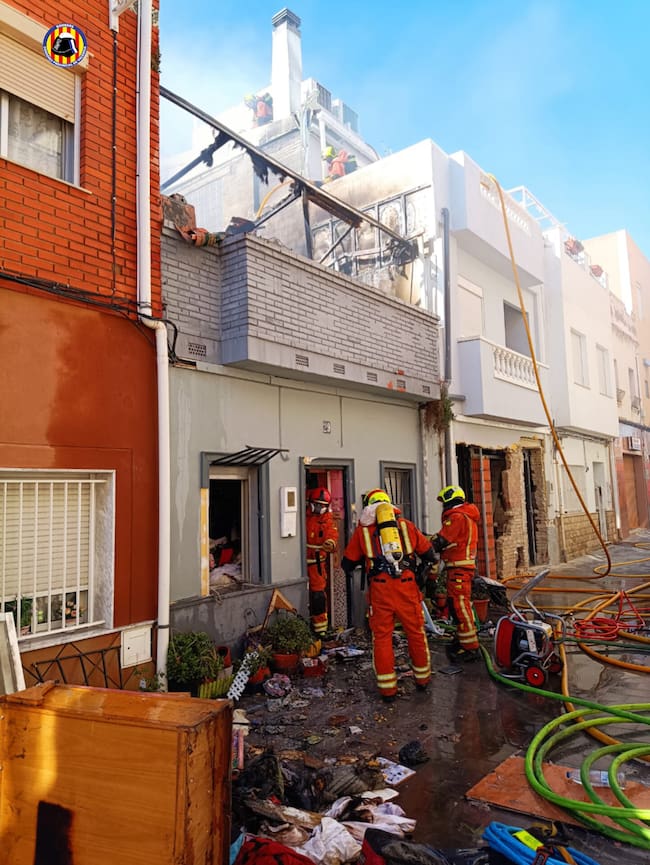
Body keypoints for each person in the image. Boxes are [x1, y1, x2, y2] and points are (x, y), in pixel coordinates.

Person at [341, 489, 437, 701]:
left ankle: (387, 690)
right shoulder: (406, 526)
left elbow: (346, 563)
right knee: (416, 633)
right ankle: (422, 679)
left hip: (380, 590)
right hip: (407, 587)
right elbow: (429, 553)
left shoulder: (363, 532)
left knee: (382, 638)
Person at [431, 485, 481, 661]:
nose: (443, 507)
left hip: (459, 569)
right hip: (459, 568)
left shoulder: (457, 517)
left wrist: (424, 545)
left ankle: (470, 648)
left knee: (460, 607)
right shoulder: (466, 516)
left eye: (444, 503)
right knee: (457, 606)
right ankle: (462, 640)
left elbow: (442, 539)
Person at [306, 487, 339, 636]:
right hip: (298, 564)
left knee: (318, 596)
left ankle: (320, 630)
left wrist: (330, 543)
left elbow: (332, 535)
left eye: (322, 505)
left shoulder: (327, 520)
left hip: (316, 564)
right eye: (316, 504)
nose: (319, 508)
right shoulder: (304, 516)